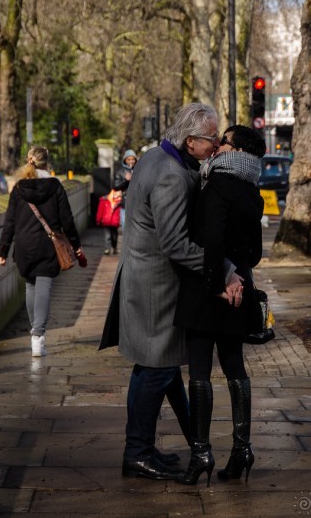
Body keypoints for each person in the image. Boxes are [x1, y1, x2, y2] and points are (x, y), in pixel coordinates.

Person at [99, 103, 242, 481]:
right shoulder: (171, 176)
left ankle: (151, 448)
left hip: (144, 280)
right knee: (156, 370)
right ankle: (137, 453)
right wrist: (225, 270)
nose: (216, 146)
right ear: (191, 141)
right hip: (156, 289)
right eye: (212, 140)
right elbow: (177, 245)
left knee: (152, 368)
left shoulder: (153, 156)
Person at [173, 125, 266, 486]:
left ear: (236, 150)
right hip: (239, 288)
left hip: (209, 289)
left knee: (199, 370)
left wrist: (218, 283)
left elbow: (210, 241)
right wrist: (238, 276)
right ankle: (242, 449)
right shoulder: (251, 190)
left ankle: (201, 454)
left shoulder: (215, 187)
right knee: (234, 368)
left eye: (224, 140)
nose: (217, 144)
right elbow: (255, 253)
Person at [0, 146, 86, 357]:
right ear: (47, 163)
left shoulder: (19, 188)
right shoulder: (55, 186)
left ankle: (34, 332)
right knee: (44, 284)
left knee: (30, 285)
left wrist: (3, 250)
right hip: (49, 243)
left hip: (25, 245)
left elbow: (9, 221)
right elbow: (67, 219)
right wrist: (75, 244)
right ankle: (38, 336)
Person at [113, 149, 138, 229]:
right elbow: (116, 186)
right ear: (125, 160)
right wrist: (125, 180)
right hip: (125, 203)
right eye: (129, 159)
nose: (131, 161)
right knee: (125, 226)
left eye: (133, 159)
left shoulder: (139, 170)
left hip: (138, 203)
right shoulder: (120, 172)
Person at [96, 189, 123, 254]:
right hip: (107, 221)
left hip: (114, 222)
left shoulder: (120, 202)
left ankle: (114, 248)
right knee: (108, 236)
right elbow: (100, 211)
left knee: (114, 236)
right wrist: (98, 220)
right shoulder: (104, 201)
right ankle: (107, 249)